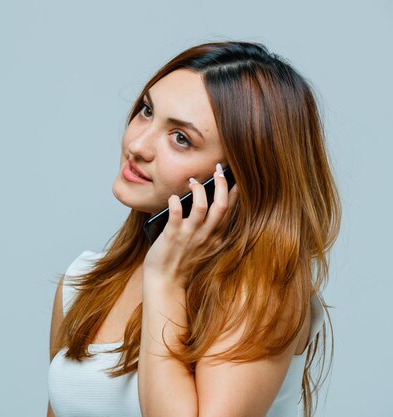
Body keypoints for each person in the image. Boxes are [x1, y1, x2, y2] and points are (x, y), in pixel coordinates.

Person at [47, 40, 341, 417]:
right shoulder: (83, 281)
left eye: (181, 138)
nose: (137, 144)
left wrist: (165, 282)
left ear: (238, 178)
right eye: (147, 111)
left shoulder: (261, 296)